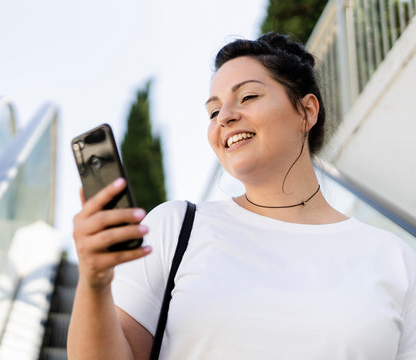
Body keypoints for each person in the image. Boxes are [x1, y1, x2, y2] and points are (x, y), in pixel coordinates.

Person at [68, 33, 416, 359]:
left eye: (248, 96)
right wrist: (94, 283)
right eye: (213, 111)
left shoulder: (397, 260)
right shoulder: (175, 228)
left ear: (307, 111)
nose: (226, 117)